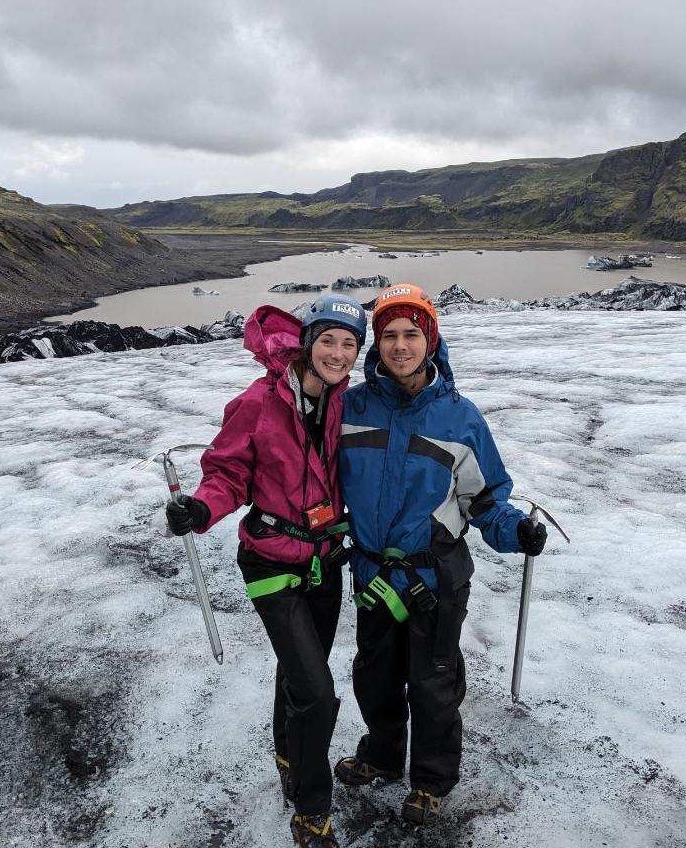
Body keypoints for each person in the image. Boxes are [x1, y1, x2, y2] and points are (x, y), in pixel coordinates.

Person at [334, 283, 547, 825]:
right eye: (388, 335)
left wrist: (516, 531)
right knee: (375, 675)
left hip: (435, 577)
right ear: (376, 343)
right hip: (373, 573)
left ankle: (431, 780)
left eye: (411, 334)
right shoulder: (351, 407)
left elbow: (486, 500)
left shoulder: (460, 418)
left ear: (430, 339)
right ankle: (382, 757)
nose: (399, 346)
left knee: (433, 682)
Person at [165, 295, 367, 848]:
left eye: (349, 344)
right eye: (328, 340)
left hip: (325, 560)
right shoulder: (258, 402)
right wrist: (201, 508)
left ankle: (286, 753)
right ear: (308, 342)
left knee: (300, 673)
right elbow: (227, 472)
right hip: (272, 560)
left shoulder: (348, 404)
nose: (337, 353)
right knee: (318, 694)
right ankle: (311, 810)